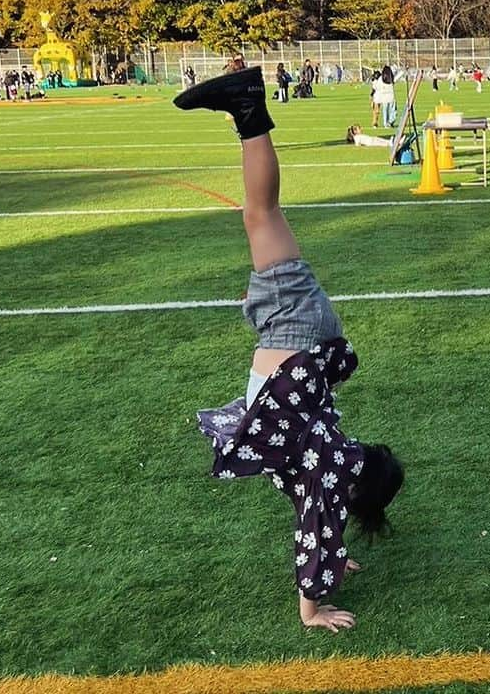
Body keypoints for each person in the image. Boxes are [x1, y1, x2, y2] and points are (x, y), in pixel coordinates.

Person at [173, 66, 403, 632]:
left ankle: (246, 113)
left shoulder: (335, 465)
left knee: (261, 218)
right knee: (261, 215)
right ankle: (249, 109)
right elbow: (315, 537)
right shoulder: (332, 476)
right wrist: (312, 611)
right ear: (356, 492)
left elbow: (321, 522)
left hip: (296, 338)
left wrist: (338, 553)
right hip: (294, 333)